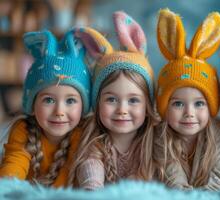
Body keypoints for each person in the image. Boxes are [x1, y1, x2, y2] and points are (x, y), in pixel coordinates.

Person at [68, 11, 158, 189]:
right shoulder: (96, 140)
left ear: (148, 104)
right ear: (97, 102)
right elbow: (90, 164)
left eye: (133, 100)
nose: (122, 110)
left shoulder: (155, 139)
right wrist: (92, 186)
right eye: (111, 99)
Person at [0, 29, 91, 187]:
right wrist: (6, 187)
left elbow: (70, 179)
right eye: (48, 100)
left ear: (83, 106)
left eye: (70, 101)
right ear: (32, 105)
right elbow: (14, 165)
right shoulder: (23, 129)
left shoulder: (82, 134)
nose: (59, 112)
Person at [154, 9, 220, 190]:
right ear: (164, 108)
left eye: (199, 103)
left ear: (211, 107)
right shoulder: (161, 135)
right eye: (178, 103)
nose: (189, 113)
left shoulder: (218, 133)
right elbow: (174, 182)